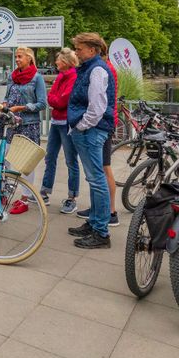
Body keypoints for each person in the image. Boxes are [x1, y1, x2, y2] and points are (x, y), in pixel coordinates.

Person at [67, 32, 115, 249]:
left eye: (79, 48)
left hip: (91, 131)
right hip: (89, 129)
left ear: (93, 50)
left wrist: (81, 125)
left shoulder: (96, 70)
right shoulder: (91, 68)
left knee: (97, 180)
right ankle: (95, 222)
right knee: (95, 180)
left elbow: (97, 108)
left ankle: (101, 232)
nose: (76, 52)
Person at [0, 47, 47, 214]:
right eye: (16, 57)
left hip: (29, 124)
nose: (17, 59)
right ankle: (3, 194)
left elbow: (42, 103)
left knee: (26, 163)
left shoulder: (37, 78)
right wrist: (5, 105)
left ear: (29, 59)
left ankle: (25, 199)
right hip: (11, 123)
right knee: (6, 159)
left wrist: (23, 107)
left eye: (20, 57)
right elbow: (8, 97)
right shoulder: (13, 76)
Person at [40, 49, 80, 214]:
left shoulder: (73, 76)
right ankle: (45, 191)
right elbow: (52, 97)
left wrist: (55, 100)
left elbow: (62, 100)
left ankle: (72, 198)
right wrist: (55, 99)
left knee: (71, 161)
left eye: (58, 60)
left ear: (65, 62)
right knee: (50, 157)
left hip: (66, 123)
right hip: (56, 122)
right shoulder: (61, 77)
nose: (56, 63)